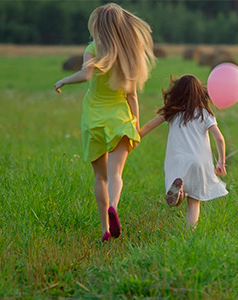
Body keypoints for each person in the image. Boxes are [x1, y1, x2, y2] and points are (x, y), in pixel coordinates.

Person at [54, 3, 155, 242]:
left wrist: (64, 80)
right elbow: (132, 96)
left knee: (100, 177)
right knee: (116, 174)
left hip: (94, 120)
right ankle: (115, 207)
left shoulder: (92, 48)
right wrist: (136, 127)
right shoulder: (128, 53)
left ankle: (104, 230)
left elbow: (86, 74)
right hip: (120, 120)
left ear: (98, 27)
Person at [140, 75, 228, 229]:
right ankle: (189, 234)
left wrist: (134, 138)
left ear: (177, 92)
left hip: (178, 160)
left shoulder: (172, 112)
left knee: (178, 198)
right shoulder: (204, 114)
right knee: (194, 202)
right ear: (199, 93)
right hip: (199, 162)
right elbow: (219, 139)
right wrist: (221, 162)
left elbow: (148, 126)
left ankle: (179, 192)